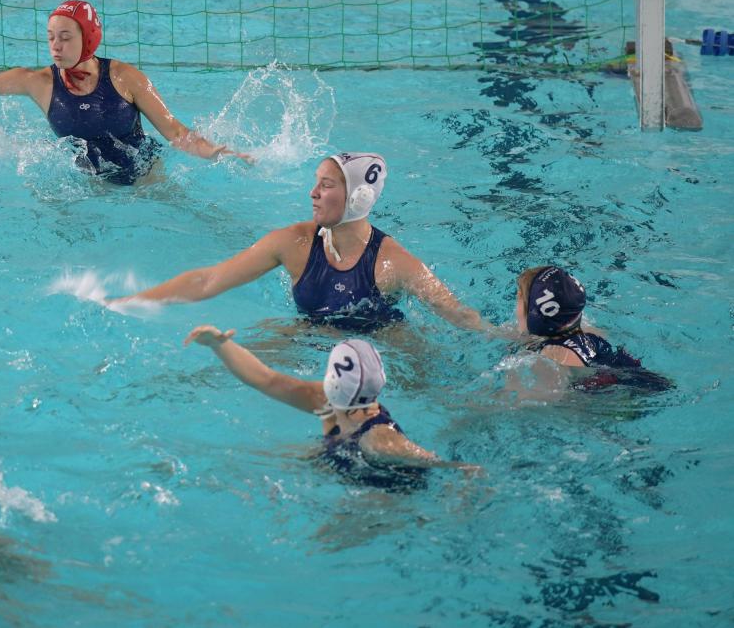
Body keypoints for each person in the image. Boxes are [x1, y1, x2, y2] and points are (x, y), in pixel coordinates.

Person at [0, 0, 250, 185]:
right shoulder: (37, 81)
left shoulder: (126, 77)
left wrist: (215, 152)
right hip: (84, 186)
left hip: (145, 179)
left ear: (89, 39)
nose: (55, 46)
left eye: (65, 37)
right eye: (51, 37)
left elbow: (175, 132)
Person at [115, 153, 485, 331]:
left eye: (327, 185)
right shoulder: (293, 243)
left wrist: (507, 337)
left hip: (382, 342)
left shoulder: (393, 263)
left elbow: (459, 315)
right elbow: (209, 280)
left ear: (358, 198)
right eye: (316, 182)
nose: (313, 193)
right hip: (309, 334)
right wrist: (131, 302)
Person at [184, 325, 479, 480]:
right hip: (339, 458)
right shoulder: (326, 401)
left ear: (334, 384)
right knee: (242, 464)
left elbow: (451, 466)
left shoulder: (381, 441)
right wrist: (218, 344)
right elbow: (266, 379)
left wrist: (464, 490)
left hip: (385, 494)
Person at [513, 265, 671, 392]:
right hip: (647, 381)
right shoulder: (587, 330)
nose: (515, 308)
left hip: (624, 399)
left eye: (519, 299)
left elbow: (544, 403)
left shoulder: (552, 355)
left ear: (536, 315)